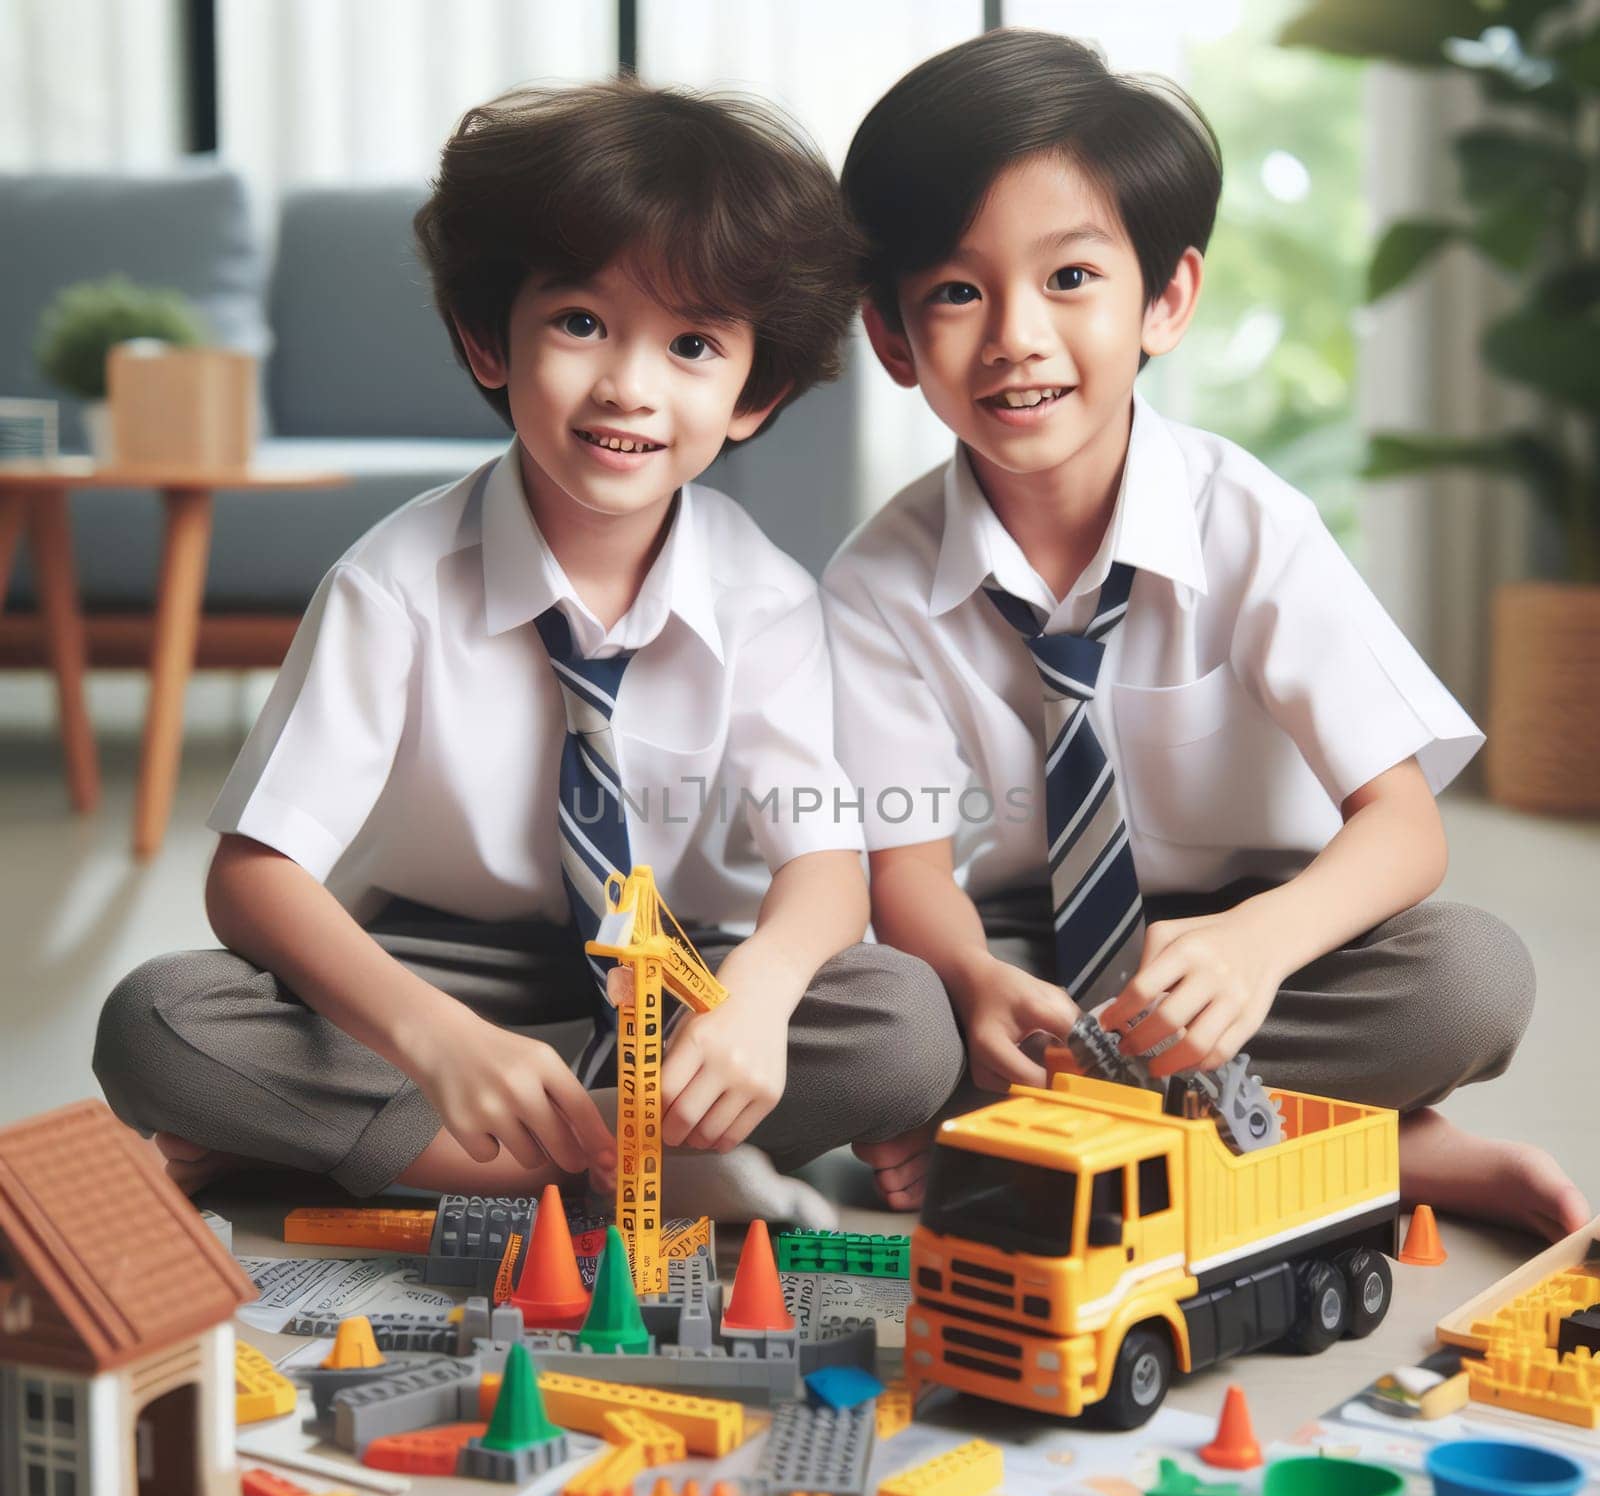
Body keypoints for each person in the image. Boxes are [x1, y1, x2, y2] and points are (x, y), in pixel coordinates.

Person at [93, 79, 963, 1205]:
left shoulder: (766, 600)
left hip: (668, 971)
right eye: (582, 322)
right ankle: (624, 1163)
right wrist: (434, 1037)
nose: (628, 387)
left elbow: (824, 867)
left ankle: (400, 1150)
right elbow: (256, 877)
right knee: (158, 1021)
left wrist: (760, 990)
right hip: (427, 970)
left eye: (693, 343)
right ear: (487, 337)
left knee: (899, 1028)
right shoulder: (392, 585)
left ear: (757, 394)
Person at [823, 30, 1588, 1240]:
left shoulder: (1251, 523)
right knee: (892, 1025)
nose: (1016, 333)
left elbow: (1402, 826)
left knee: (1468, 980)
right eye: (958, 292)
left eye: (1070, 278)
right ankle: (1354, 1143)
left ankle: (1038, 1123)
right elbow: (909, 873)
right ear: (893, 337)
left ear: (1164, 300)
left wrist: (1258, 945)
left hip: (1255, 941)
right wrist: (973, 987)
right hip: (1030, 959)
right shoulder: (874, 584)